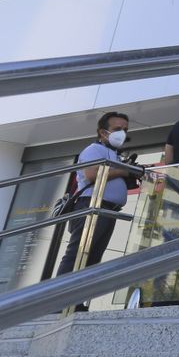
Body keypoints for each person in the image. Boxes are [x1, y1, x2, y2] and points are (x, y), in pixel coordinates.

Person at [55, 112, 134, 280]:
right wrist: (125, 171)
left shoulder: (113, 153)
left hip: (107, 210)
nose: (122, 133)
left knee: (91, 259)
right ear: (103, 132)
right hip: (92, 205)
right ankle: (56, 302)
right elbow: (92, 174)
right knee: (77, 256)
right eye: (118, 129)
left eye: (125, 129)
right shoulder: (94, 149)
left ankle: (76, 303)